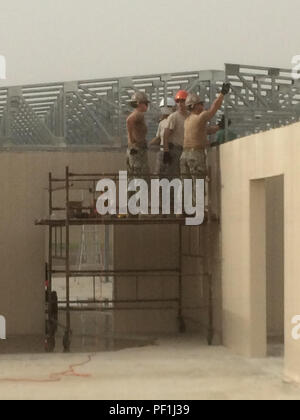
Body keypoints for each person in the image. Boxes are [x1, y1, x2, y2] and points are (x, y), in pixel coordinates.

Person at [180, 83, 231, 203]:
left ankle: (188, 211)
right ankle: (198, 213)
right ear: (194, 106)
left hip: (184, 155)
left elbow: (203, 131)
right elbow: (214, 108)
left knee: (187, 185)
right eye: (200, 104)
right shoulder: (201, 117)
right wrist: (222, 94)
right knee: (198, 184)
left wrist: (218, 127)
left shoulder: (188, 120)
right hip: (195, 155)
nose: (203, 106)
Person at [162, 90, 189, 176]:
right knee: (177, 175)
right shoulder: (173, 117)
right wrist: (166, 151)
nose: (180, 104)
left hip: (187, 150)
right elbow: (165, 135)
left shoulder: (190, 116)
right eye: (178, 101)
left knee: (187, 175)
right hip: (176, 151)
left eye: (182, 101)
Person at [126, 91, 150, 178]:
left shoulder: (139, 114)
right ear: (139, 104)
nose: (147, 106)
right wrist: (132, 141)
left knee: (134, 177)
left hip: (136, 149)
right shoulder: (138, 114)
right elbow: (129, 120)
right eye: (145, 103)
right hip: (137, 149)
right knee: (140, 177)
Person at [150, 98, 176, 175]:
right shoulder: (162, 122)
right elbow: (158, 138)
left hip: (173, 152)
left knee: (171, 175)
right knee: (159, 175)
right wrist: (149, 144)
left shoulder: (175, 119)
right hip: (162, 152)